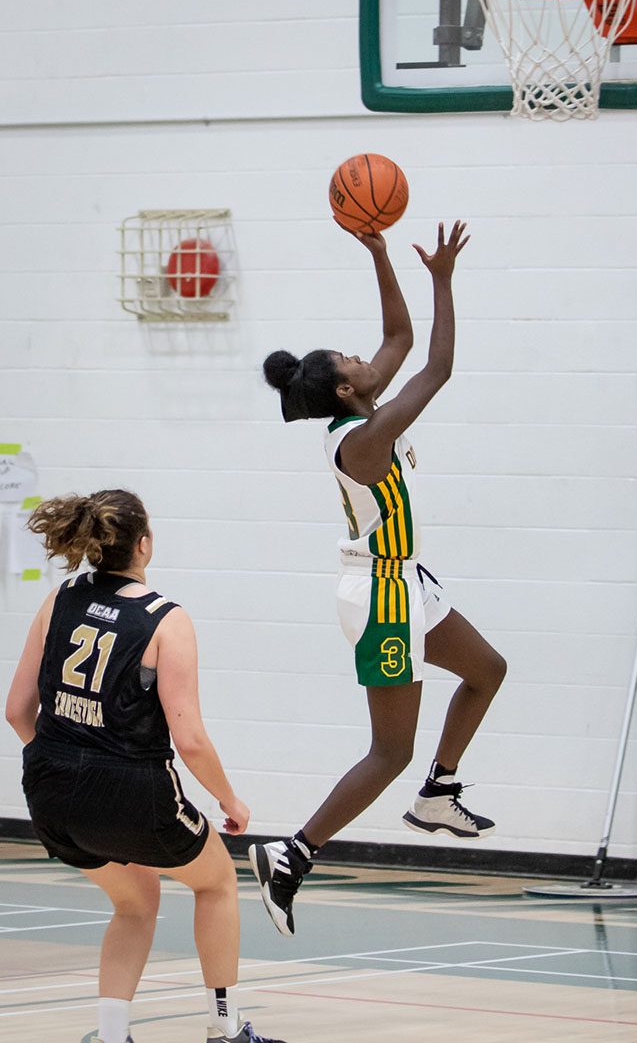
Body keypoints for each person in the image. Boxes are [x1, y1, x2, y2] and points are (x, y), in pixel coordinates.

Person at [250, 220, 507, 937]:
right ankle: (293, 852)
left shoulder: (365, 410)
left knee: (487, 670)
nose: (370, 358)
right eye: (354, 359)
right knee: (389, 749)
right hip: (382, 594)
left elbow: (397, 340)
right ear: (344, 386)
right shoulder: (364, 438)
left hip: (409, 581)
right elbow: (437, 367)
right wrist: (445, 282)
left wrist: (381, 254)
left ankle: (440, 792)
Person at [5, 490, 283, 1043]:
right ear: (144, 544)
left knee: (136, 901)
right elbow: (192, 741)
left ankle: (113, 1037)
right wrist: (230, 801)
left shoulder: (58, 599)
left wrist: (66, 763)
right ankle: (225, 1032)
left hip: (49, 793)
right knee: (218, 883)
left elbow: (16, 712)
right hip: (133, 791)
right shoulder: (165, 619)